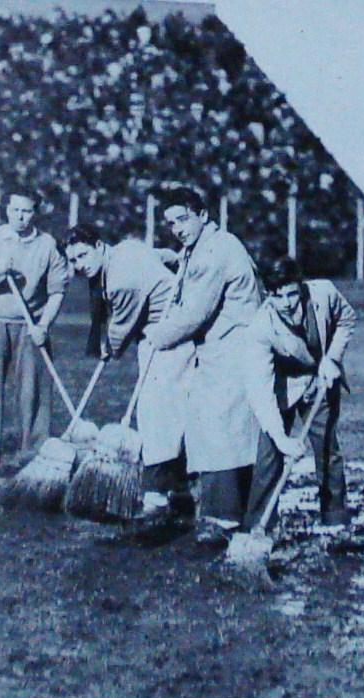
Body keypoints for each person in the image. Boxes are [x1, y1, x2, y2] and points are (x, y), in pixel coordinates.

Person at [143, 187, 262, 541]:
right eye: (170, 223)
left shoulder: (213, 253)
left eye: (183, 219)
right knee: (223, 428)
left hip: (232, 349)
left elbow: (194, 312)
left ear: (203, 216)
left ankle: (222, 516)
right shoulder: (209, 245)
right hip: (223, 348)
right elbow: (189, 267)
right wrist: (169, 257)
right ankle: (225, 509)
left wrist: (156, 337)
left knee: (216, 429)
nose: (178, 229)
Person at [63, 225, 195, 516]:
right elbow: (162, 255)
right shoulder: (125, 248)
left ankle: (159, 495)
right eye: (73, 260)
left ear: (99, 246)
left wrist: (108, 348)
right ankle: (179, 487)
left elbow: (121, 330)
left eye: (83, 256)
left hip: (169, 338)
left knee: (156, 416)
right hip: (162, 336)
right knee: (167, 414)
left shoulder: (120, 280)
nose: (80, 265)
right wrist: (174, 260)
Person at [0, 189, 68, 484]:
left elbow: (57, 291)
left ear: (36, 213)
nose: (20, 217)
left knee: (33, 396)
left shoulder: (47, 245)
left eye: (27, 211)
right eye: (16, 210)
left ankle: (34, 461)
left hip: (31, 326)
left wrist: (43, 325)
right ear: (7, 209)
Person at [242, 255, 356, 530]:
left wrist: (332, 358)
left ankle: (335, 523)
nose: (287, 304)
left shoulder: (324, 293)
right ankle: (259, 528)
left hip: (321, 378)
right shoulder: (261, 327)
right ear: (269, 296)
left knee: (327, 448)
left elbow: (347, 319)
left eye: (292, 295)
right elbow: (260, 390)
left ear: (301, 287)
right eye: (278, 297)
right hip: (283, 385)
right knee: (269, 455)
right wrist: (282, 439)